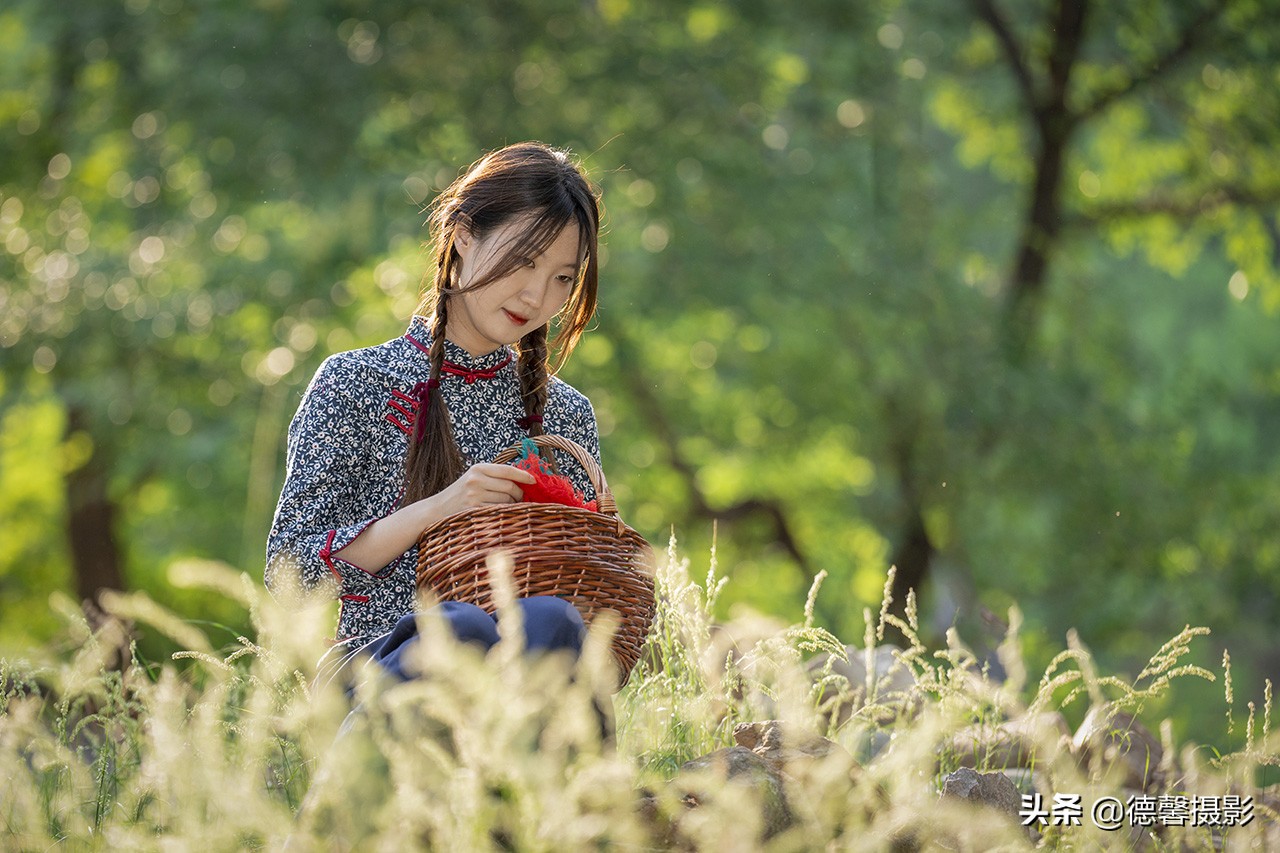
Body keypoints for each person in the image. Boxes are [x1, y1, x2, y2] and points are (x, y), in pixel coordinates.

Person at [265, 142, 603, 683]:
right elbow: (292, 572)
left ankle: (539, 764)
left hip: (516, 683)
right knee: (460, 627)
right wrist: (440, 508)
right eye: (524, 259)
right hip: (376, 674)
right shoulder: (356, 383)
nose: (538, 295)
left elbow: (589, 603)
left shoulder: (563, 415)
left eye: (563, 278)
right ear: (464, 235)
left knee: (551, 619)